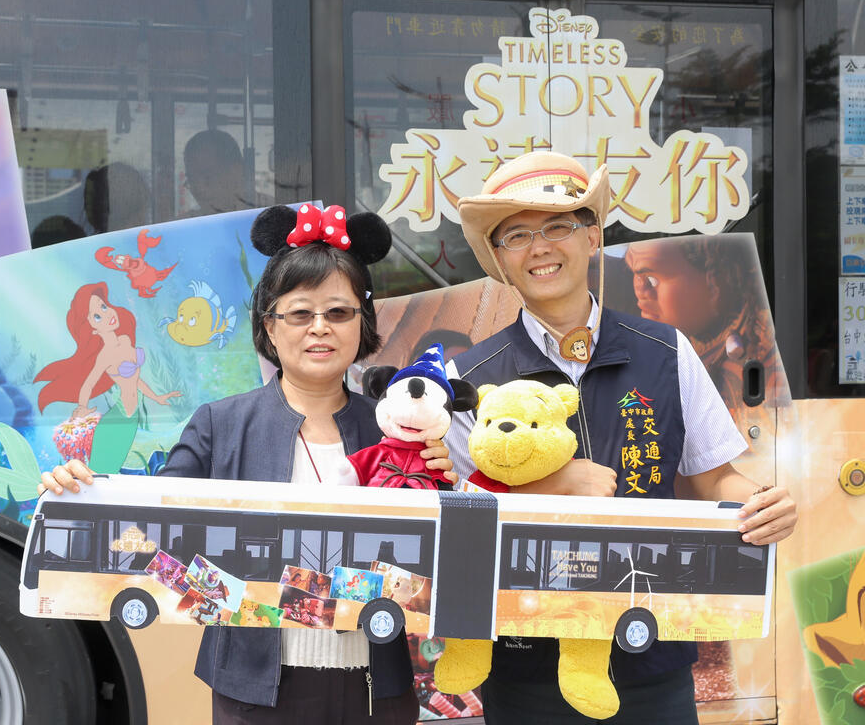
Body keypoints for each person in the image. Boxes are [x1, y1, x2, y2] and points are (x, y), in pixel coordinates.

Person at [41, 203, 453, 724]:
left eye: (339, 313)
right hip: (254, 690)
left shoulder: (397, 433)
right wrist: (82, 491)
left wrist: (443, 487)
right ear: (270, 326)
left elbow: (433, 562)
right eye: (300, 313)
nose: (320, 328)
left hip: (376, 689)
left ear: (362, 323)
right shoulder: (220, 424)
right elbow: (154, 526)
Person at [444, 151, 797, 724]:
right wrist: (555, 484)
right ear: (501, 260)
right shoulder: (469, 377)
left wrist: (761, 503)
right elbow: (458, 513)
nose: (540, 248)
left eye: (558, 226)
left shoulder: (666, 351)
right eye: (517, 235)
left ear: (592, 237)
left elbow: (714, 477)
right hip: (526, 662)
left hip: (650, 651)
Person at [34, 282, 180, 473]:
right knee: (103, 472)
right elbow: (88, 385)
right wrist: (82, 407)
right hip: (118, 421)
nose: (107, 314)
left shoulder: (125, 341)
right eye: (96, 316)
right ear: (92, 327)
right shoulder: (105, 356)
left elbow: (135, 380)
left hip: (131, 416)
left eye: (104, 306)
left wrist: (157, 397)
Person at [624, 236, 784, 407]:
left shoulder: (761, 346)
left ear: (714, 280)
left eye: (651, 279)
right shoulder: (686, 347)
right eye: (635, 275)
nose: (640, 291)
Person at [182, 129, 270, 217]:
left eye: (208, 177)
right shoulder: (187, 223)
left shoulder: (272, 216)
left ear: (236, 171)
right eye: (192, 180)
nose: (200, 189)